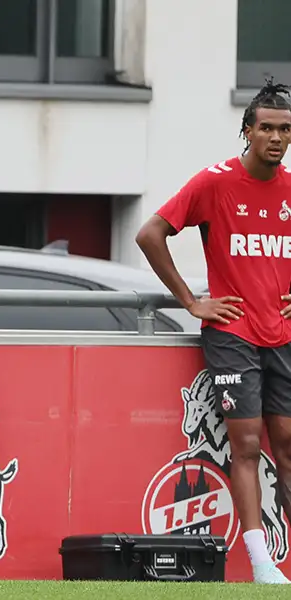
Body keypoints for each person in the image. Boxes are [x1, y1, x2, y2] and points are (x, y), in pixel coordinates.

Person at [136, 78, 291, 585]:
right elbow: (149, 233)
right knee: (245, 446)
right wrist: (191, 300)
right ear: (247, 131)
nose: (275, 137)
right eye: (266, 127)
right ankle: (262, 564)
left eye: (284, 129)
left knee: (286, 445)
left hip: (283, 334)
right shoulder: (215, 182)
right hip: (233, 333)